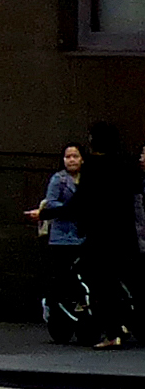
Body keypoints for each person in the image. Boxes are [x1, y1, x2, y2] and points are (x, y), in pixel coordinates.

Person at [75, 122, 140, 349]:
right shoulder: (126, 162)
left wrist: (46, 212)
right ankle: (130, 325)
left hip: (101, 236)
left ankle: (112, 332)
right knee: (132, 283)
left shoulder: (93, 165)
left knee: (103, 286)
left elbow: (81, 199)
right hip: (125, 233)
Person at [25, 141, 87, 344]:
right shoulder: (58, 180)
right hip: (61, 236)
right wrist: (71, 209)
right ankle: (56, 311)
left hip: (82, 236)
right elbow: (51, 203)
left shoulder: (87, 179)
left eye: (75, 156)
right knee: (61, 277)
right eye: (68, 156)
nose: (71, 160)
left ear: (82, 159)